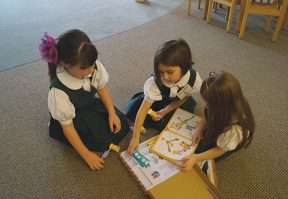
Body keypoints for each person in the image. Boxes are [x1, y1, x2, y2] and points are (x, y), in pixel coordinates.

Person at [39, 29, 129, 170]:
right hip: (73, 119)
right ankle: (55, 125)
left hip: (88, 104)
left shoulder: (90, 66)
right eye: (86, 69)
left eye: (93, 65)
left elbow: (101, 87)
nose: (91, 70)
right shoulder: (58, 92)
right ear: (66, 64)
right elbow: (68, 128)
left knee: (120, 121)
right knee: (100, 140)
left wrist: (112, 113)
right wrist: (86, 155)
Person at [125, 38, 202, 155]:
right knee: (134, 111)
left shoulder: (193, 79)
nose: (165, 77)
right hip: (160, 97)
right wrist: (135, 137)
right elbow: (143, 110)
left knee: (175, 121)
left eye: (170, 72)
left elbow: (184, 97)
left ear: (184, 67)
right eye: (161, 72)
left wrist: (165, 111)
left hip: (177, 100)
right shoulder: (155, 84)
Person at [181, 71, 255, 171]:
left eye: (210, 104)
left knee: (202, 153)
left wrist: (197, 157)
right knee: (199, 144)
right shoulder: (222, 105)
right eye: (207, 103)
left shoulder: (234, 131)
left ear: (223, 106)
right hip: (221, 125)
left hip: (226, 142)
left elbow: (220, 150)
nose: (207, 106)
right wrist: (199, 129)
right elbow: (208, 113)